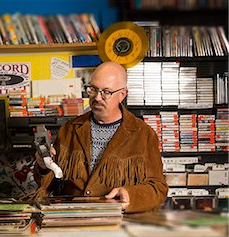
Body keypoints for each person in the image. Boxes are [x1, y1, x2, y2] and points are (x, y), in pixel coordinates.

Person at [34, 61, 168, 213]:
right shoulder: (69, 130)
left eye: (106, 92)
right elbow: (51, 184)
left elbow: (158, 188)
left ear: (122, 94)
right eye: (93, 89)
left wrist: (130, 195)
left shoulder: (143, 134)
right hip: (73, 220)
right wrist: (44, 167)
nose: (97, 97)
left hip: (119, 223)